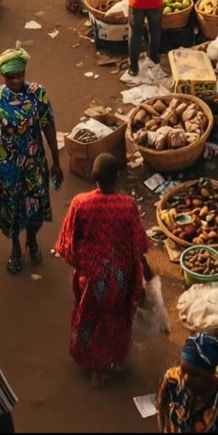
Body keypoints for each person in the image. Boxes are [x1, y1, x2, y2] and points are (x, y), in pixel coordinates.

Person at [55, 154, 149, 387]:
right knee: (115, 320)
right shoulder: (127, 205)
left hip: (90, 278)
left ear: (94, 176)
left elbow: (67, 246)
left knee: (89, 318)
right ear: (117, 178)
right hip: (119, 279)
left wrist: (86, 267)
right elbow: (139, 245)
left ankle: (94, 365)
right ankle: (111, 361)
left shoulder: (80, 203)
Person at [0, 47, 63, 273]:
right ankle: (16, 247)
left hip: (34, 164)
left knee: (35, 209)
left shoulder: (38, 94)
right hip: (8, 166)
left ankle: (32, 239)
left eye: (20, 75)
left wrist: (55, 162)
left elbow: (48, 126)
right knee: (13, 210)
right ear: (3, 76)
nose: (16, 80)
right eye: (11, 77)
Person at [157, 334, 218, 434]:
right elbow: (162, 410)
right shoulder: (172, 379)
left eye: (195, 374)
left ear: (211, 373)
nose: (186, 378)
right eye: (183, 370)